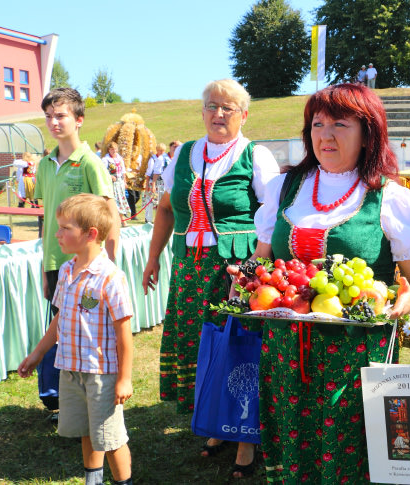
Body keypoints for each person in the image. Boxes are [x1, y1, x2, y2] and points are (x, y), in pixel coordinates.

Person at [249, 83, 410, 483]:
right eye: (317, 123)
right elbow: (262, 260)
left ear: (369, 133)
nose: (325, 135)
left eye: (340, 124)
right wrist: (245, 278)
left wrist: (405, 303)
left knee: (352, 447)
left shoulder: (390, 198)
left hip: (356, 354)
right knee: (293, 442)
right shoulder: (284, 189)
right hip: (285, 350)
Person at [141, 78, 279, 478]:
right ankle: (217, 426)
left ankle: (245, 443)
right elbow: (166, 209)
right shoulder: (184, 153)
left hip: (238, 271)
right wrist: (153, 257)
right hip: (189, 270)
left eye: (228, 108)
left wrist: (252, 273)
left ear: (244, 115)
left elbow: (272, 222)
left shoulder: (256, 156)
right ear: (202, 111)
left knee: (237, 349)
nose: (218, 114)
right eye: (211, 106)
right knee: (200, 347)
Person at [18, 193, 134, 485]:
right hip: (71, 371)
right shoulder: (68, 271)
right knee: (87, 431)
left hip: (101, 375)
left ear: (90, 234)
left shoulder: (110, 277)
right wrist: (36, 355)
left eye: (64, 228)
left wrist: (124, 378)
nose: (56, 234)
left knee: (110, 438)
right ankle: (92, 481)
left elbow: (124, 335)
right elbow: (59, 320)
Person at [34, 87, 120, 414]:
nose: (53, 122)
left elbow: (110, 215)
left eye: (61, 115)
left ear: (78, 120)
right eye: (48, 116)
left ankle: (83, 397)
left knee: (83, 329)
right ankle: (56, 398)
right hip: (57, 265)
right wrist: (45, 267)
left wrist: (111, 265)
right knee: (60, 326)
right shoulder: (44, 165)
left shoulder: (90, 163)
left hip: (88, 265)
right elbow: (49, 217)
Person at [101, 142, 130, 226]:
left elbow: (123, 171)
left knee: (121, 199)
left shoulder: (119, 158)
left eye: (115, 149)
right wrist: (110, 176)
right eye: (112, 149)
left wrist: (124, 181)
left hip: (119, 182)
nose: (114, 151)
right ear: (109, 150)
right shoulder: (105, 160)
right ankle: (121, 220)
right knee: (115, 200)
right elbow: (103, 171)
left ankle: (121, 219)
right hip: (111, 183)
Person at [143, 143, 168, 224]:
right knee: (150, 201)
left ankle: (159, 219)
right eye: (159, 150)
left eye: (163, 151)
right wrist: (147, 185)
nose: (161, 152)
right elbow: (148, 173)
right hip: (152, 182)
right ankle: (148, 219)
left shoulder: (165, 159)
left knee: (161, 201)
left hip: (162, 183)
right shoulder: (153, 159)